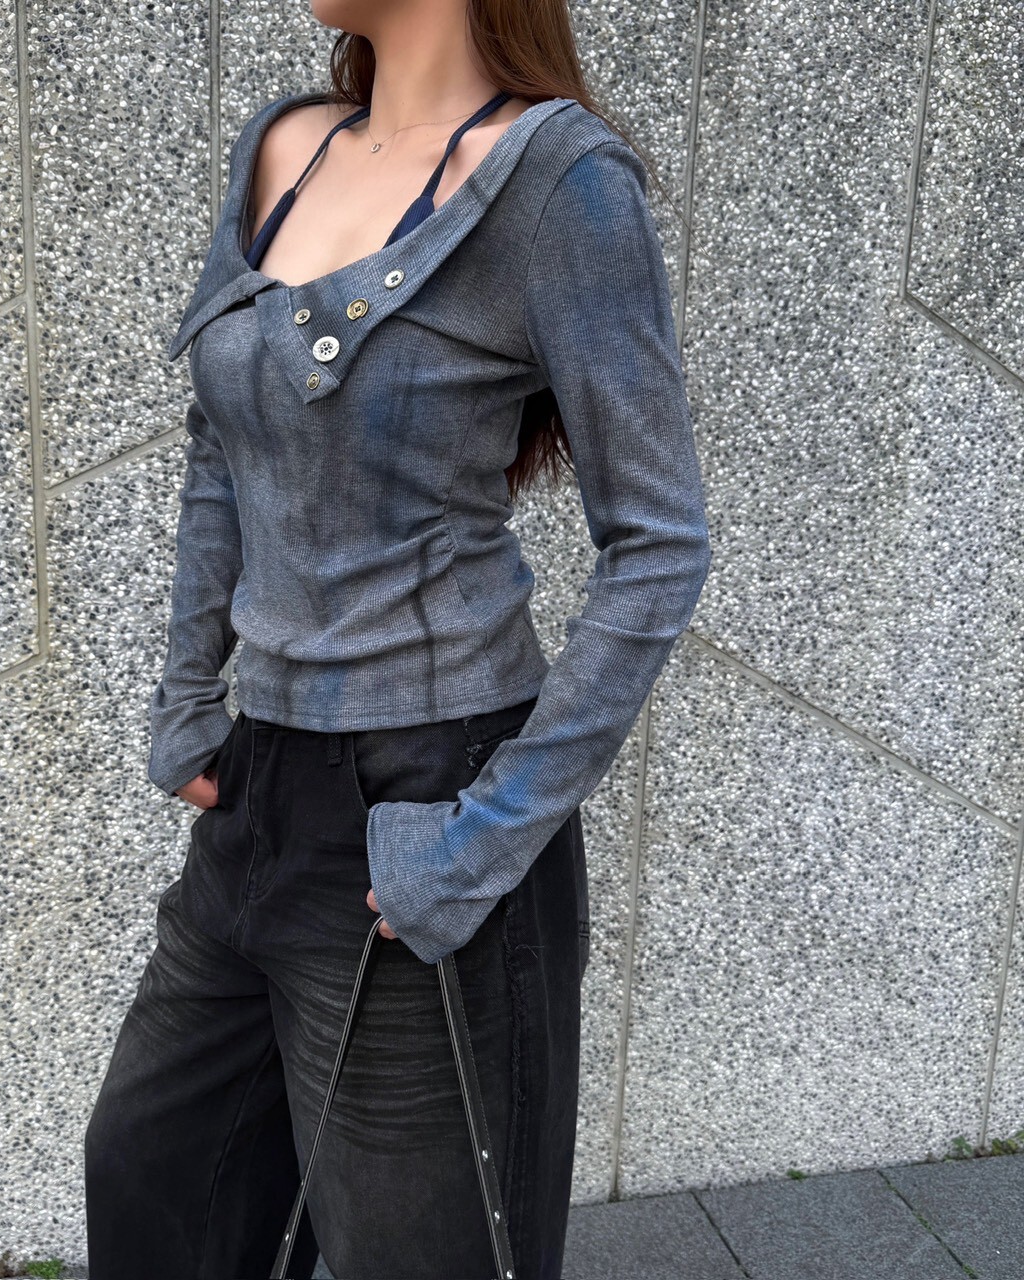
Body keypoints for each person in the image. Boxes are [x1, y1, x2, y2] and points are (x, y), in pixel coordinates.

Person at [84, 1, 712, 1277]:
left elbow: (658, 543)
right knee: (152, 1175)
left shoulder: (560, 181)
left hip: (427, 796)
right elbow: (219, 446)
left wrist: (478, 841)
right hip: (257, 790)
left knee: (413, 1248)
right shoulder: (286, 146)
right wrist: (186, 695)